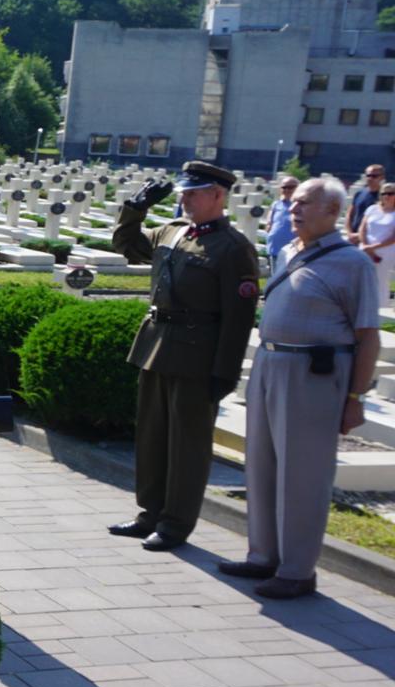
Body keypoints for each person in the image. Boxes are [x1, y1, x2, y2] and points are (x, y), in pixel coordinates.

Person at [222, 176, 382, 600]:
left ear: (333, 212)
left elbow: (368, 335)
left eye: (305, 204)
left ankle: (297, 569)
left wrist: (354, 397)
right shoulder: (291, 249)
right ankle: (263, 555)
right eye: (292, 203)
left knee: (303, 474)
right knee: (261, 464)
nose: (293, 209)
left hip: (314, 374)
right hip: (271, 362)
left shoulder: (354, 263)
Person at [108, 160, 260, 551]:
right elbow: (128, 247)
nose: (185, 198)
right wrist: (135, 209)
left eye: (193, 192)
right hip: (156, 346)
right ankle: (150, 514)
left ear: (217, 195)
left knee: (188, 446)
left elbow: (238, 319)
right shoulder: (172, 232)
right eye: (183, 192)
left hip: (198, 357)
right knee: (152, 437)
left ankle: (175, 525)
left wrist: (224, 374)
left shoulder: (233, 248)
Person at [352, 183, 395, 306]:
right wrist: (365, 245)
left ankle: (380, 311)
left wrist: (373, 247)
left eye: (391, 193)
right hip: (365, 248)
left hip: (385, 251)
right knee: (360, 279)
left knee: (380, 281)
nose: (387, 196)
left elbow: (393, 237)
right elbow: (362, 228)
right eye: (384, 193)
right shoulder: (372, 209)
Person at [265, 175, 300, 269]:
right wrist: (269, 225)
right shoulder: (276, 204)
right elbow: (270, 221)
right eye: (284, 187)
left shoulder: (301, 205)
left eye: (290, 187)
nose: (287, 190)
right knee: (274, 278)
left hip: (293, 250)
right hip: (275, 247)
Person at [346, 165, 385, 235]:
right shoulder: (359, 193)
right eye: (368, 175)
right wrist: (349, 233)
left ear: (382, 177)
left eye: (374, 176)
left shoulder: (386, 196)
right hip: (353, 238)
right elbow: (349, 215)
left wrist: (360, 236)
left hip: (371, 239)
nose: (370, 178)